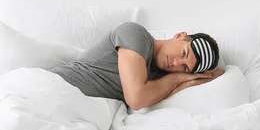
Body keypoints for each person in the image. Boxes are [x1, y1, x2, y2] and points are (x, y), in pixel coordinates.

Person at [51, 22, 224, 110]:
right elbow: (136, 99)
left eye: (185, 68)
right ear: (179, 35)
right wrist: (179, 77)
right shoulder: (136, 35)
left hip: (69, 106)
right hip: (53, 87)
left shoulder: (156, 82)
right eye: (184, 53)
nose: (176, 63)